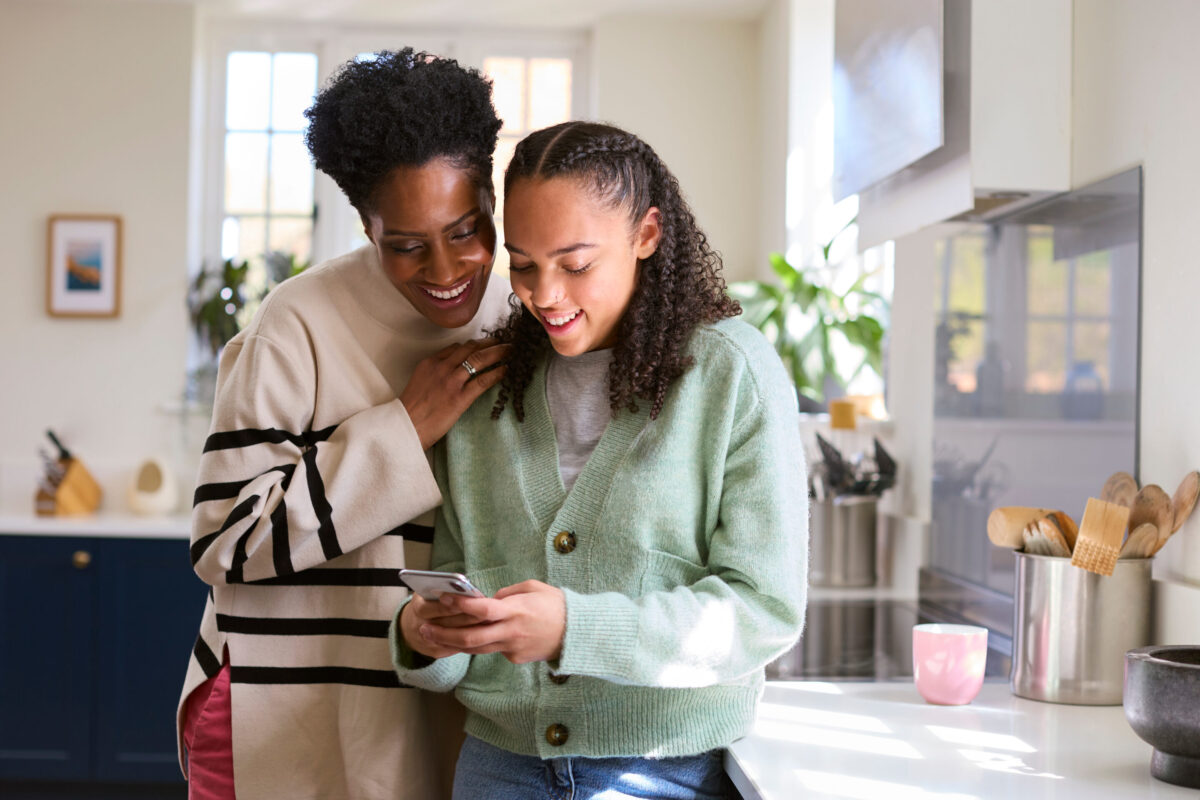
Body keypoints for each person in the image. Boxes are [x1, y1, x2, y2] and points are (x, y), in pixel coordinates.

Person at [391, 121, 809, 800]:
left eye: (575, 263)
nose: (544, 294)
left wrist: (575, 629)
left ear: (645, 235)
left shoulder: (732, 374)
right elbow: (451, 582)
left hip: (664, 771)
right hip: (498, 770)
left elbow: (762, 609)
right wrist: (422, 638)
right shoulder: (486, 396)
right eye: (522, 264)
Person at [176, 49, 512, 800]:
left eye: (466, 230)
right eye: (406, 245)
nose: (447, 268)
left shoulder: (523, 315)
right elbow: (222, 539)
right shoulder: (295, 324)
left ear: (492, 198)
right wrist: (403, 429)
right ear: (366, 226)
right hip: (282, 718)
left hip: (435, 721)